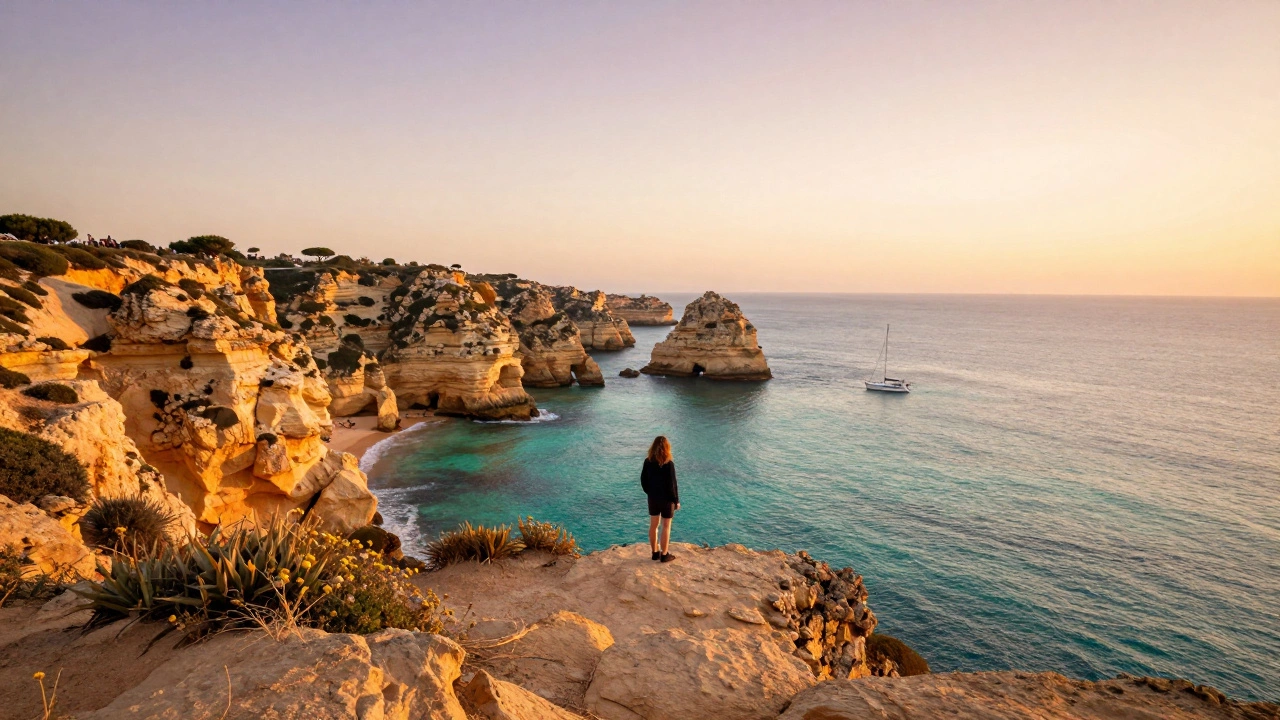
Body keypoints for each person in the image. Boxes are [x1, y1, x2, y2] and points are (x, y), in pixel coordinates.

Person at [641, 435, 679, 562]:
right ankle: (664, 554)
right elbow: (673, 484)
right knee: (666, 526)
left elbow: (643, 481)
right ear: (667, 448)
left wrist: (650, 492)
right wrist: (676, 500)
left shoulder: (648, 461)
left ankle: (654, 553)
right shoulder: (669, 464)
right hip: (667, 499)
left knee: (654, 526)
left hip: (653, 498)